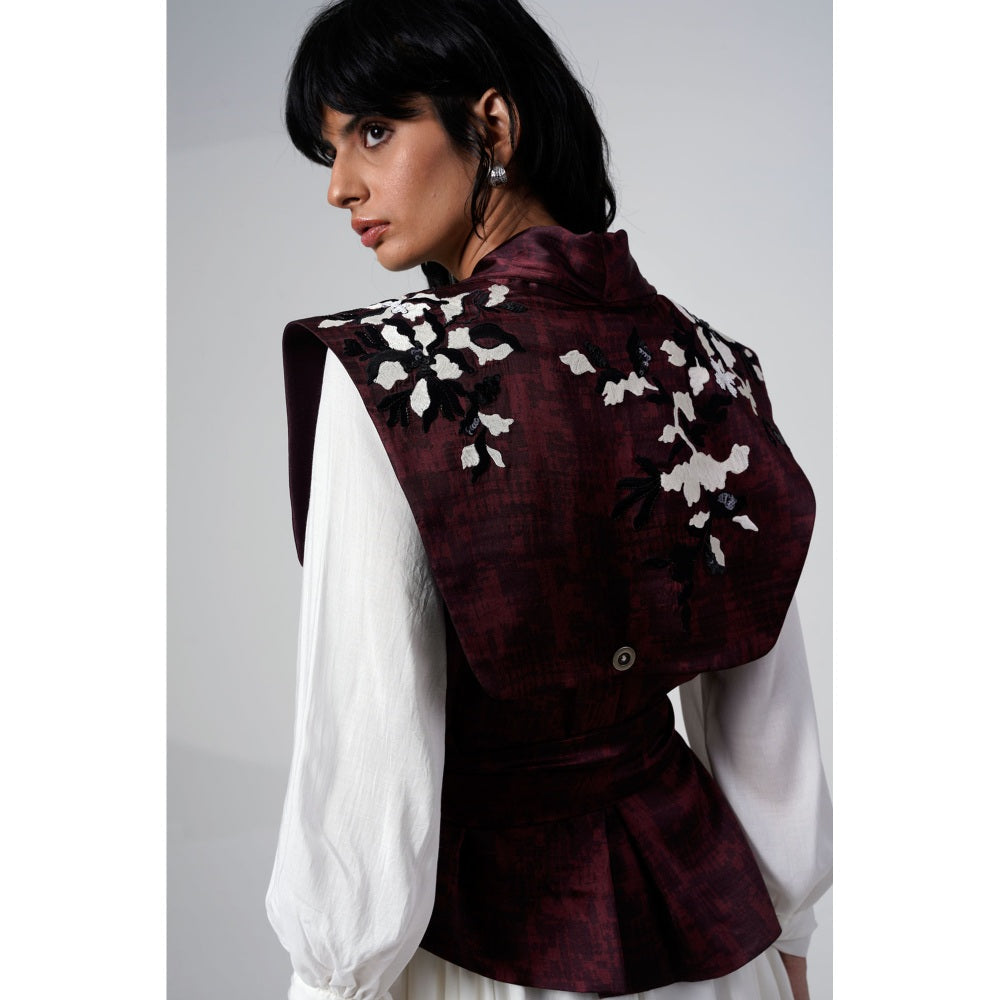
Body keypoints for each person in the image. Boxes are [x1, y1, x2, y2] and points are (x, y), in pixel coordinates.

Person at [266, 2, 833, 1000]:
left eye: (374, 131)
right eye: (332, 146)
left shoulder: (391, 377)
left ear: (491, 124)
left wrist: (332, 976)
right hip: (716, 941)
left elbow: (367, 739)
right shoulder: (712, 367)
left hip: (485, 955)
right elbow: (768, 717)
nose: (339, 184)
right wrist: (790, 937)